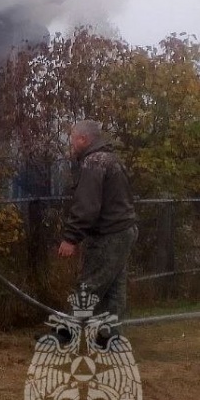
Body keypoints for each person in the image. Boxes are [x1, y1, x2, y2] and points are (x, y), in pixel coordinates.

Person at [57, 120, 137, 339]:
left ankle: (65, 332)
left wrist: (71, 238)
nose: (71, 144)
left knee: (90, 283)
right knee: (114, 287)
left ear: (83, 139)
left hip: (108, 235)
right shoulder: (111, 159)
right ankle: (109, 334)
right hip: (124, 230)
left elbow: (87, 206)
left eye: (73, 139)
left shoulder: (93, 163)